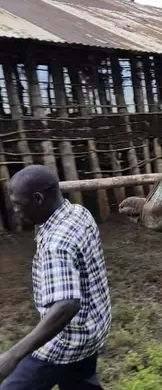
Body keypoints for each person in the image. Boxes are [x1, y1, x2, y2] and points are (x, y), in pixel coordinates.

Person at [1, 165, 111, 390]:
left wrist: (12, 355)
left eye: (18, 204)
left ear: (38, 198)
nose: (16, 211)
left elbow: (67, 304)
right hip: (94, 328)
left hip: (68, 341)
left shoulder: (57, 244)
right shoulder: (79, 213)